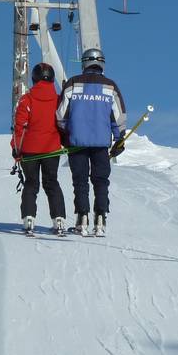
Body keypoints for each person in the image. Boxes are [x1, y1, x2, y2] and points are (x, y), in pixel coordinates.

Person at [56, 47, 127, 236]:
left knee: (80, 181)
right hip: (101, 143)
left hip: (77, 142)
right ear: (102, 63)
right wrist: (119, 138)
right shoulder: (110, 86)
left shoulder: (73, 83)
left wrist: (66, 133)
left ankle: (82, 217)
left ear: (84, 63)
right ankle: (101, 217)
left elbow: (61, 114)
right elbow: (118, 116)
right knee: (101, 181)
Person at [12, 62, 68, 236]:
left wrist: (16, 149)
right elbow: (63, 123)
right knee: (52, 183)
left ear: (34, 78)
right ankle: (59, 219)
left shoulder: (26, 99)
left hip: (29, 150)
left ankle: (29, 219)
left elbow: (20, 127)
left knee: (31, 183)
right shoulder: (58, 100)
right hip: (52, 149)